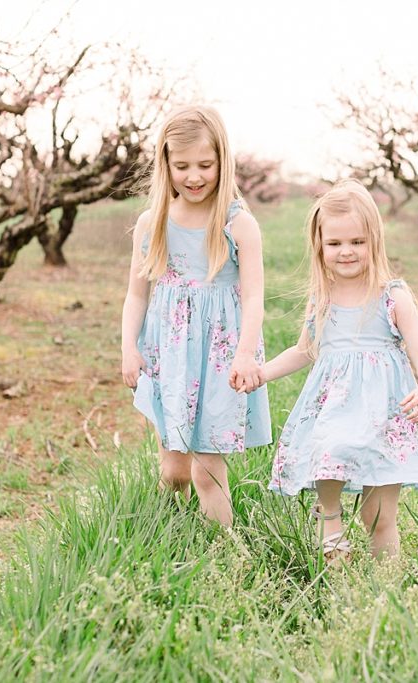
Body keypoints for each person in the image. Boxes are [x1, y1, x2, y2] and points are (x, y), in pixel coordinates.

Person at [264, 179, 418, 561]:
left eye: (357, 243)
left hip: (384, 416)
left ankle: (387, 583)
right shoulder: (323, 298)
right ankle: (330, 529)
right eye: (335, 244)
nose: (346, 252)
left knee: (378, 516)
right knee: (329, 455)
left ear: (374, 241)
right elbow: (304, 351)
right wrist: (262, 374)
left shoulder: (392, 296)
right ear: (320, 246)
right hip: (336, 410)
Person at [120, 105, 270, 527]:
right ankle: (176, 527)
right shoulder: (154, 223)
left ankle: (221, 555)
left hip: (222, 353)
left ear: (223, 160)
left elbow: (255, 297)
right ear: (165, 162)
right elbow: (136, 295)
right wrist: (128, 347)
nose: (194, 176)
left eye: (205, 164)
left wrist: (245, 354)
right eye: (182, 165)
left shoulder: (237, 224)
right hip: (169, 353)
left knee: (207, 470)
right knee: (174, 472)